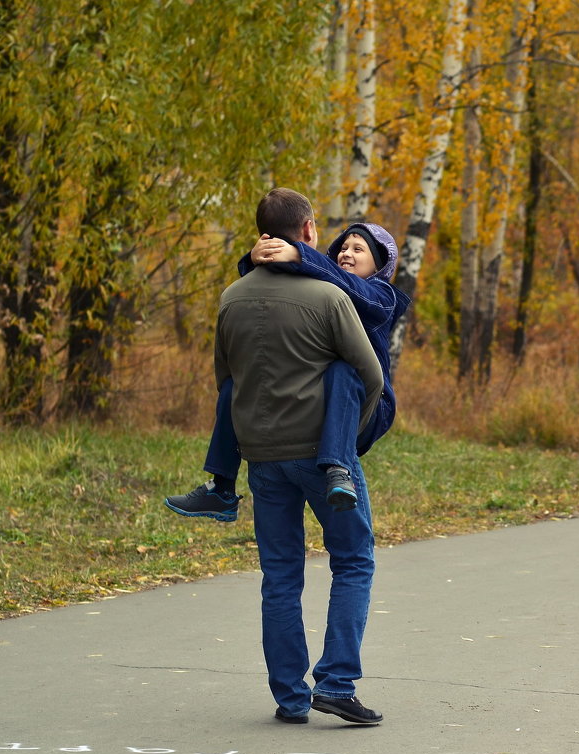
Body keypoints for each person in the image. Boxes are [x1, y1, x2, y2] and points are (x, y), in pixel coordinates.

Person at [205, 187, 387, 725]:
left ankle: (289, 698)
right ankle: (336, 683)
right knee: (353, 560)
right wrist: (348, 443)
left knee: (280, 575)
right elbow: (369, 375)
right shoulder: (329, 298)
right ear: (308, 231)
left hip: (262, 457)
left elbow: (225, 379)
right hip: (323, 454)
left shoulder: (231, 297)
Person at [165, 219, 409, 520]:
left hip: (371, 404)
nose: (346, 253)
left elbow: (352, 289)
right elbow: (273, 289)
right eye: (343, 247)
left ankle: (338, 466)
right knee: (233, 385)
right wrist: (254, 260)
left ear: (380, 265)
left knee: (342, 370)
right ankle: (221, 487)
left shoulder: (384, 297)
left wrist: (301, 254)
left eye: (359, 249)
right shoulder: (327, 286)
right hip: (326, 402)